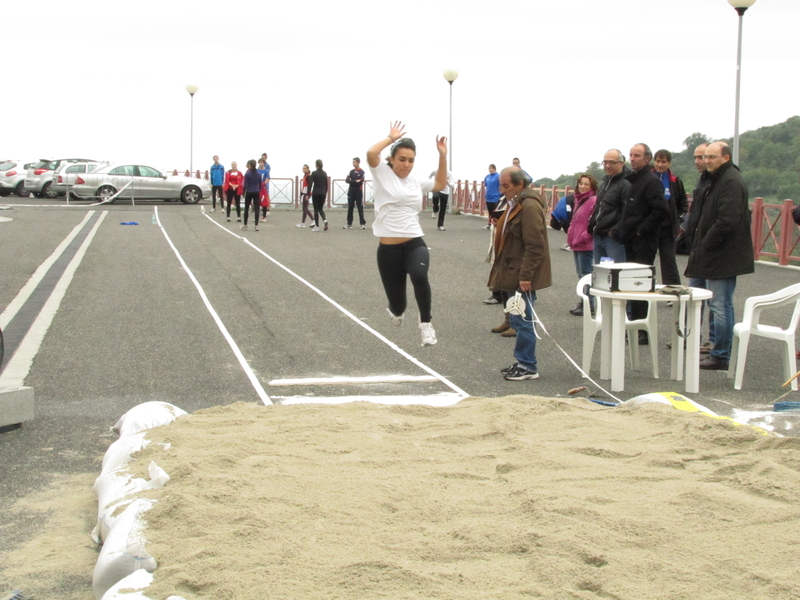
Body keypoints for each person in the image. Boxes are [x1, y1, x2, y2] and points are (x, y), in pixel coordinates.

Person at [366, 121, 448, 347]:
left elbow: (440, 183)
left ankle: (426, 324)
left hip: (414, 242)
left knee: (419, 276)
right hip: (388, 250)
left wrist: (442, 155)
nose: (406, 164)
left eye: (411, 160)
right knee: (398, 304)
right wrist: (391, 138)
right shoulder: (381, 173)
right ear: (392, 159)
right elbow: (372, 153)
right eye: (402, 159)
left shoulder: (415, 180)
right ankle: (396, 310)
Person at [684, 141, 754, 370]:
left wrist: (704, 244)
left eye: (712, 157)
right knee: (706, 301)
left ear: (725, 158)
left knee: (720, 305)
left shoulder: (731, 181)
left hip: (723, 254)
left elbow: (726, 222)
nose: (706, 161)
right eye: (705, 157)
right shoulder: (713, 179)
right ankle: (711, 347)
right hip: (707, 252)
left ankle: (722, 354)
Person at [488, 167, 552, 380]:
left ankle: (528, 365)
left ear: (520, 185)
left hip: (520, 273)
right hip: (511, 270)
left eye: (506, 186)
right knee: (516, 319)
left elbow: (535, 245)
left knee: (523, 320)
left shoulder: (529, 206)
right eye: (501, 185)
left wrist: (526, 276)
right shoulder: (515, 203)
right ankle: (522, 361)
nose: (502, 190)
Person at [618, 143, 668, 344]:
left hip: (643, 241)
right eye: (630, 155)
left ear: (647, 159)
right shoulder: (633, 180)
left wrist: (641, 230)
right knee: (631, 284)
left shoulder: (651, 181)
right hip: (630, 239)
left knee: (640, 284)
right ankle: (634, 324)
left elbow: (661, 210)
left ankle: (642, 329)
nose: (633, 158)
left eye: (637, 155)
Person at [684, 143, 714, 354]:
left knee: (716, 300)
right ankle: (691, 336)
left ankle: (716, 344)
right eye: (695, 157)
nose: (698, 161)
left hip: (712, 249)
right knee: (693, 294)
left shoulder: (720, 182)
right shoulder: (703, 181)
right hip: (697, 246)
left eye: (702, 157)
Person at [588, 149, 630, 264]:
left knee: (615, 274)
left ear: (621, 163)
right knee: (601, 275)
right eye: (605, 162)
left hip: (612, 239)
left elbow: (627, 212)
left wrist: (614, 232)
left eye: (611, 162)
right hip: (599, 235)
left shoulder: (625, 185)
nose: (607, 166)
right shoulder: (604, 184)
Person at [653, 149, 688, 285]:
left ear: (669, 163)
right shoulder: (648, 178)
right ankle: (644, 291)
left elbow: (683, 204)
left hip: (668, 228)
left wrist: (678, 219)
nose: (660, 165)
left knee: (668, 261)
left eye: (663, 162)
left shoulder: (675, 181)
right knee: (646, 262)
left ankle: (672, 290)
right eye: (657, 161)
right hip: (650, 227)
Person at [566, 173, 598, 316]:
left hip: (585, 243)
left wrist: (583, 237)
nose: (583, 186)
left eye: (586, 184)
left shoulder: (593, 200)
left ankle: (589, 304)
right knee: (581, 275)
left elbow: (592, 223)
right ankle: (584, 301)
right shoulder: (579, 200)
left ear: (592, 186)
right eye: (581, 183)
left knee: (586, 275)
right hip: (576, 242)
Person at [344, 157, 366, 229]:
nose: (353, 163)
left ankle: (362, 224)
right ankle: (349, 223)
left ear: (358, 162)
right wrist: (355, 181)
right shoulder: (351, 172)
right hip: (351, 191)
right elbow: (347, 180)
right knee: (350, 207)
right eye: (353, 162)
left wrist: (355, 181)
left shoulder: (362, 172)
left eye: (354, 162)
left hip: (358, 192)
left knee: (360, 207)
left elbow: (361, 182)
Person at [308, 159, 329, 232]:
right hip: (323, 192)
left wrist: (308, 193)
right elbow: (326, 185)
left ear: (316, 165)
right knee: (321, 209)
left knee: (316, 209)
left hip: (316, 192)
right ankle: (325, 220)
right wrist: (325, 193)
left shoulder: (314, 173)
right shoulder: (324, 173)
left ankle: (317, 226)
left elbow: (310, 184)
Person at [241, 159, 261, 231]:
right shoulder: (258, 174)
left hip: (249, 191)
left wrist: (243, 193)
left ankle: (245, 225)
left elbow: (245, 185)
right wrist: (260, 192)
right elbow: (260, 184)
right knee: (257, 209)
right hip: (256, 191)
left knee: (246, 208)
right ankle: (256, 225)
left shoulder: (247, 174)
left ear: (250, 165)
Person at [483, 164, 500, 229]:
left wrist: (499, 194)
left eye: (492, 168)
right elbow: (486, 185)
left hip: (495, 197)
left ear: (495, 169)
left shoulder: (498, 176)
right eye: (489, 168)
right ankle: (489, 224)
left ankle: (496, 224)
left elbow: (501, 185)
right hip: (488, 197)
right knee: (490, 211)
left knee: (495, 212)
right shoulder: (487, 177)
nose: (491, 169)